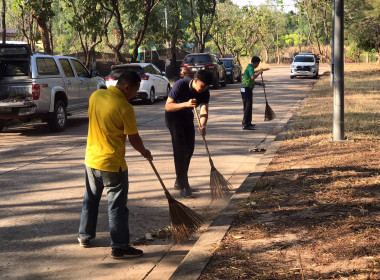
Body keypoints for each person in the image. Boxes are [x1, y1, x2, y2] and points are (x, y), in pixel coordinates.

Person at [78, 70, 153, 259]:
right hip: (112, 164)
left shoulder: (96, 96)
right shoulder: (125, 108)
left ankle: (84, 235)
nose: (135, 95)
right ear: (127, 87)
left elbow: (92, 117)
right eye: (135, 91)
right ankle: (119, 247)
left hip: (91, 160)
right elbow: (134, 139)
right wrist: (145, 152)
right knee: (117, 206)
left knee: (90, 199)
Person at [165, 69, 213, 198]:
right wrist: (185, 104)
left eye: (206, 87)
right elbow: (168, 106)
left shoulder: (205, 91)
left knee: (189, 149)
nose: (203, 89)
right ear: (196, 81)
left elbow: (204, 110)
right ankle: (184, 185)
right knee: (180, 149)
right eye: (202, 86)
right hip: (173, 117)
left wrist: (203, 125)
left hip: (187, 117)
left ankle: (179, 180)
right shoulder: (180, 84)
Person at [240, 56, 266, 130]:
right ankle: (245, 124)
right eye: (258, 64)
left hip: (246, 88)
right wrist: (259, 72)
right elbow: (252, 77)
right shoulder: (250, 67)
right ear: (256, 63)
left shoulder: (249, 67)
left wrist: (260, 84)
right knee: (247, 106)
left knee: (249, 106)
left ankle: (248, 122)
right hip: (245, 89)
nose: (257, 66)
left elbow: (251, 81)